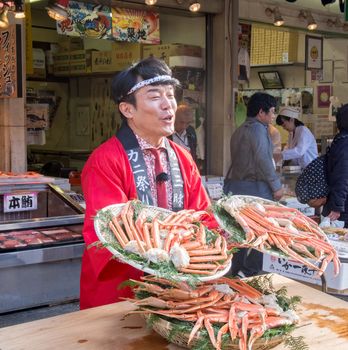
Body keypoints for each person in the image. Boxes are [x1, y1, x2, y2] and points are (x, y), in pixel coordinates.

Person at [80, 57, 212, 310]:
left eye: (170, 95)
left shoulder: (182, 156)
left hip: (180, 288)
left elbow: (203, 216)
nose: (168, 106)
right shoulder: (106, 160)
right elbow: (107, 232)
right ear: (127, 109)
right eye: (154, 97)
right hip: (123, 288)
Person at [224, 92, 283, 277]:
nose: (273, 116)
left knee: (239, 231)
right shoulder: (259, 129)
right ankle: (249, 270)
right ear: (261, 112)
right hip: (256, 190)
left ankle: (236, 269)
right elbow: (264, 160)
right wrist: (276, 186)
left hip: (237, 188)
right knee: (263, 232)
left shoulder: (239, 130)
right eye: (272, 112)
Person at [322, 104, 348, 227]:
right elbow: (342, 176)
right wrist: (337, 206)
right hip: (343, 207)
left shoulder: (341, 140)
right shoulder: (345, 144)